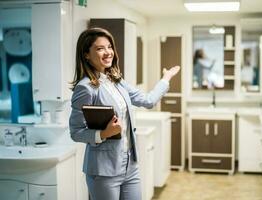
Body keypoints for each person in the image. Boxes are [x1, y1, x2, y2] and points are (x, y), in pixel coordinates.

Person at [69, 27, 180, 200]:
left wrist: (165, 79)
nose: (108, 52)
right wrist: (104, 133)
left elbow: (148, 100)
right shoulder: (85, 88)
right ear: (86, 55)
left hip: (130, 165)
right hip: (104, 170)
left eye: (109, 47)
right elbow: (76, 132)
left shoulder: (117, 81)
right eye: (100, 48)